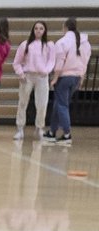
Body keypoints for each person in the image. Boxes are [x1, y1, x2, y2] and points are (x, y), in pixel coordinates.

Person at [44, 18, 91, 146]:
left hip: (64, 77)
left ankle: (67, 134)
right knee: (59, 104)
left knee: (62, 105)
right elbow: (85, 62)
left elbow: (59, 64)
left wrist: (55, 78)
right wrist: (81, 77)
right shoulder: (85, 43)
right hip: (76, 77)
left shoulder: (62, 42)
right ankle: (52, 132)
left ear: (64, 27)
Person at [12, 21, 54, 141]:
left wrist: (46, 71)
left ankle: (39, 128)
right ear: (33, 30)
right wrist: (20, 73)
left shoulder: (49, 45)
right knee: (22, 102)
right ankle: (20, 128)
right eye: (36, 28)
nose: (38, 30)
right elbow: (16, 62)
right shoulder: (25, 44)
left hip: (42, 77)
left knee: (42, 104)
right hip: (27, 76)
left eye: (41, 28)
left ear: (44, 30)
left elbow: (52, 61)